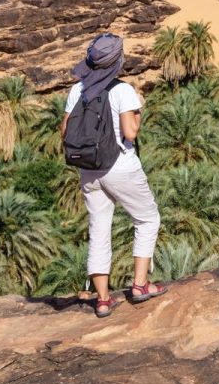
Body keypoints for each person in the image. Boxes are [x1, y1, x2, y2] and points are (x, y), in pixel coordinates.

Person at [60, 33, 165, 317]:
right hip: (120, 166)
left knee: (99, 229)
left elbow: (64, 130)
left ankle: (103, 300)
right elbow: (131, 132)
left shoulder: (77, 90)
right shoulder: (122, 91)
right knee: (147, 218)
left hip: (89, 169)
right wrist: (138, 112)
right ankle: (140, 285)